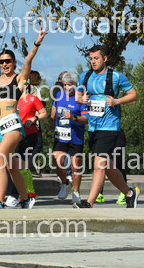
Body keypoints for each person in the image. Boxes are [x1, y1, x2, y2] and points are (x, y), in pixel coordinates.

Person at [0, 28, 47, 209]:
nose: (4, 64)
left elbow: (28, 61)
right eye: (2, 62)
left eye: (8, 61)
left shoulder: (19, 79)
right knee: (10, 165)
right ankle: (24, 198)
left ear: (13, 62)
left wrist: (37, 42)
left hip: (12, 125)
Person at [75, 45, 139, 208]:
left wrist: (117, 101)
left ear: (105, 58)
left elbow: (133, 95)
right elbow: (78, 96)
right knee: (108, 167)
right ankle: (130, 194)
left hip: (110, 127)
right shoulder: (85, 76)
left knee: (98, 164)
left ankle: (89, 202)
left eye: (96, 58)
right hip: (93, 127)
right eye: (91, 59)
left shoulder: (116, 76)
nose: (93, 61)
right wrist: (81, 100)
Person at [51, 72, 88, 205]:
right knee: (56, 161)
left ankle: (76, 192)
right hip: (60, 135)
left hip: (75, 136)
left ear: (75, 85)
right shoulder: (58, 95)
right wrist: (51, 121)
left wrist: (73, 117)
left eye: (70, 85)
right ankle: (65, 182)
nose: (67, 87)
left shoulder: (80, 98)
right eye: (65, 85)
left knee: (75, 166)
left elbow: (86, 119)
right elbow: (54, 107)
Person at [12, 70, 47, 204]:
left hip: (29, 135)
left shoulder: (33, 98)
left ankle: (27, 193)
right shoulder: (12, 100)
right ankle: (25, 193)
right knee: (14, 165)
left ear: (27, 85)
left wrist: (34, 118)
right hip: (13, 135)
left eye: (23, 83)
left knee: (21, 165)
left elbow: (44, 113)